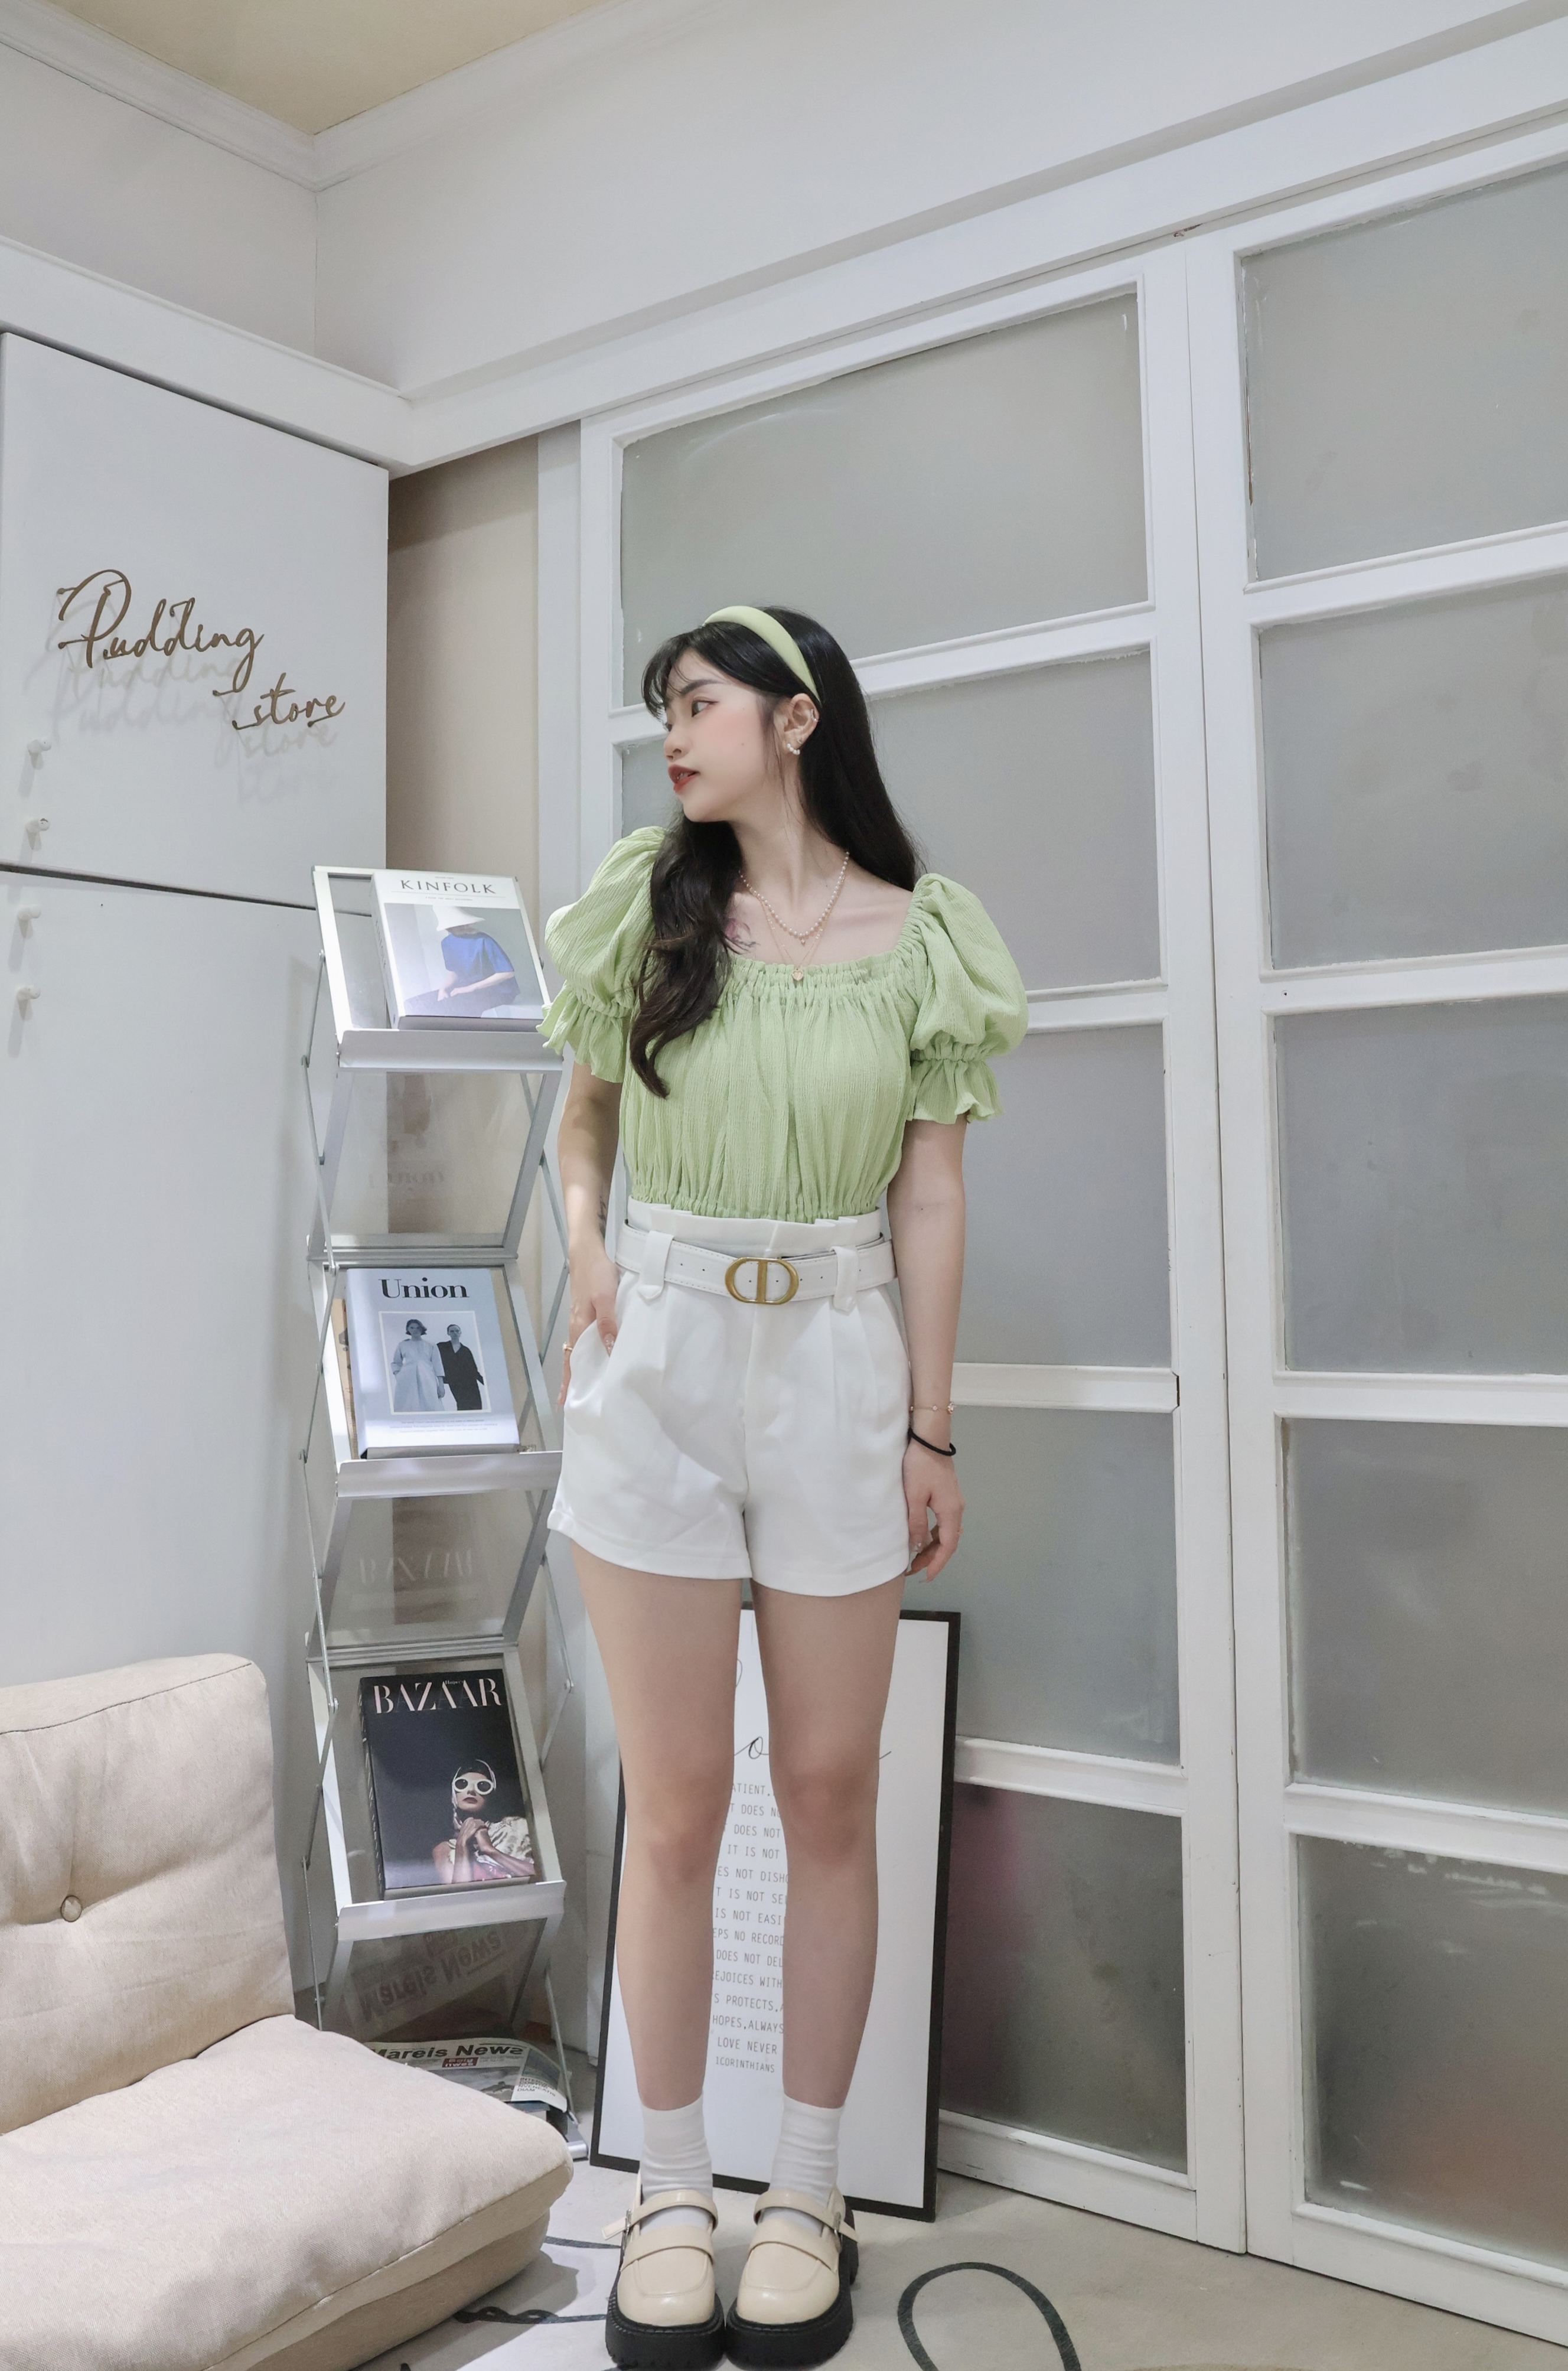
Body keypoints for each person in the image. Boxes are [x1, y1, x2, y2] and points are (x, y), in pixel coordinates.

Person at [542, 604, 1026, 2370]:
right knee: (677, 1811)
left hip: (836, 1358)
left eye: (696, 704)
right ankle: (670, 2191)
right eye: (662, 711)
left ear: (797, 718)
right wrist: (587, 1247)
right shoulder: (648, 908)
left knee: (828, 1797)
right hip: (658, 1349)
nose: (671, 737)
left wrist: (931, 1427)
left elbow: (930, 1194)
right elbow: (583, 1120)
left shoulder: (924, 938)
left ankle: (806, 2190)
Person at [431, 1762, 538, 1883]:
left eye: (482, 1786)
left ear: (491, 1795)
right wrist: (462, 1844)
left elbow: (542, 1877)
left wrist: (490, 1850)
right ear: (454, 1793)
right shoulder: (444, 1849)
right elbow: (461, 1891)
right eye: (462, 1784)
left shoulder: (516, 1828)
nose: (471, 1790)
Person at [388, 1316, 448, 1412]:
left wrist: (441, 1386)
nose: (415, 1330)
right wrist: (398, 1376)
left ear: (422, 1329)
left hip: (427, 1378)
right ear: (408, 1329)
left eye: (418, 1328)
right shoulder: (403, 1345)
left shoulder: (431, 1345)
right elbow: (396, 1362)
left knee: (431, 1403)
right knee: (408, 1404)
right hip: (407, 1379)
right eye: (412, 1328)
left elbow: (438, 1365)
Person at [438, 1321, 487, 1410]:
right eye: (452, 1331)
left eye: (457, 1331)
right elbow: (433, 1360)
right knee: (462, 1403)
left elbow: (473, 1370)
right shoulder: (442, 1347)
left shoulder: (466, 1350)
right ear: (448, 1333)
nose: (455, 1333)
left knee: (475, 1405)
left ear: (460, 1333)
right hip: (454, 1381)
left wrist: (486, 1383)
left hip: (470, 1382)